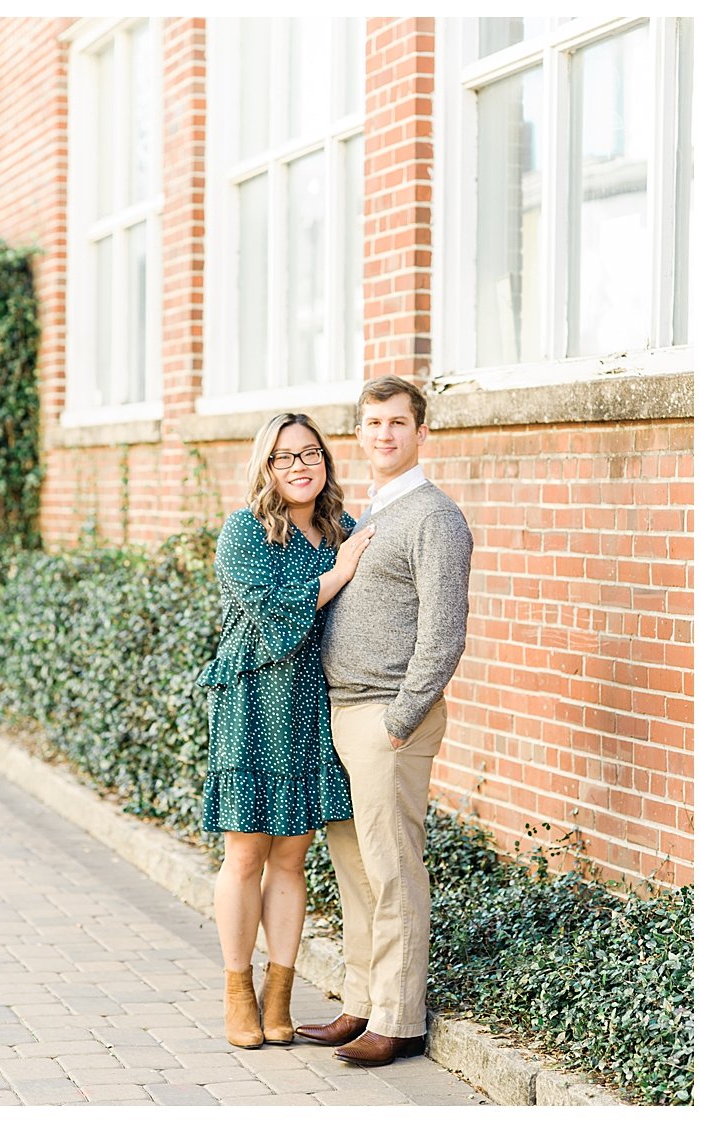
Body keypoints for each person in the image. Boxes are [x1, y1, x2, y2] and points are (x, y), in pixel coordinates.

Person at [295, 376, 473, 1066]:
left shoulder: (435, 516)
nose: (385, 434)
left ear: (422, 433)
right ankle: (361, 1001)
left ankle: (399, 1018)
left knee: (393, 868)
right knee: (355, 868)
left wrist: (402, 717)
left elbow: (445, 631)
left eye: (398, 422)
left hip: (387, 718)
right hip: (344, 712)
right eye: (373, 423)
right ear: (361, 433)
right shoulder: (367, 511)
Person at [196, 413, 375, 1048]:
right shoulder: (246, 531)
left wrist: (347, 558)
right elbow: (273, 612)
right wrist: (340, 571)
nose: (300, 467)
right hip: (252, 699)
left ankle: (280, 993)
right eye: (284, 458)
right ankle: (238, 990)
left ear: (325, 461)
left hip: (309, 703)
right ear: (266, 468)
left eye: (310, 454)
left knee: (293, 857)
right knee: (246, 852)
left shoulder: (341, 530)